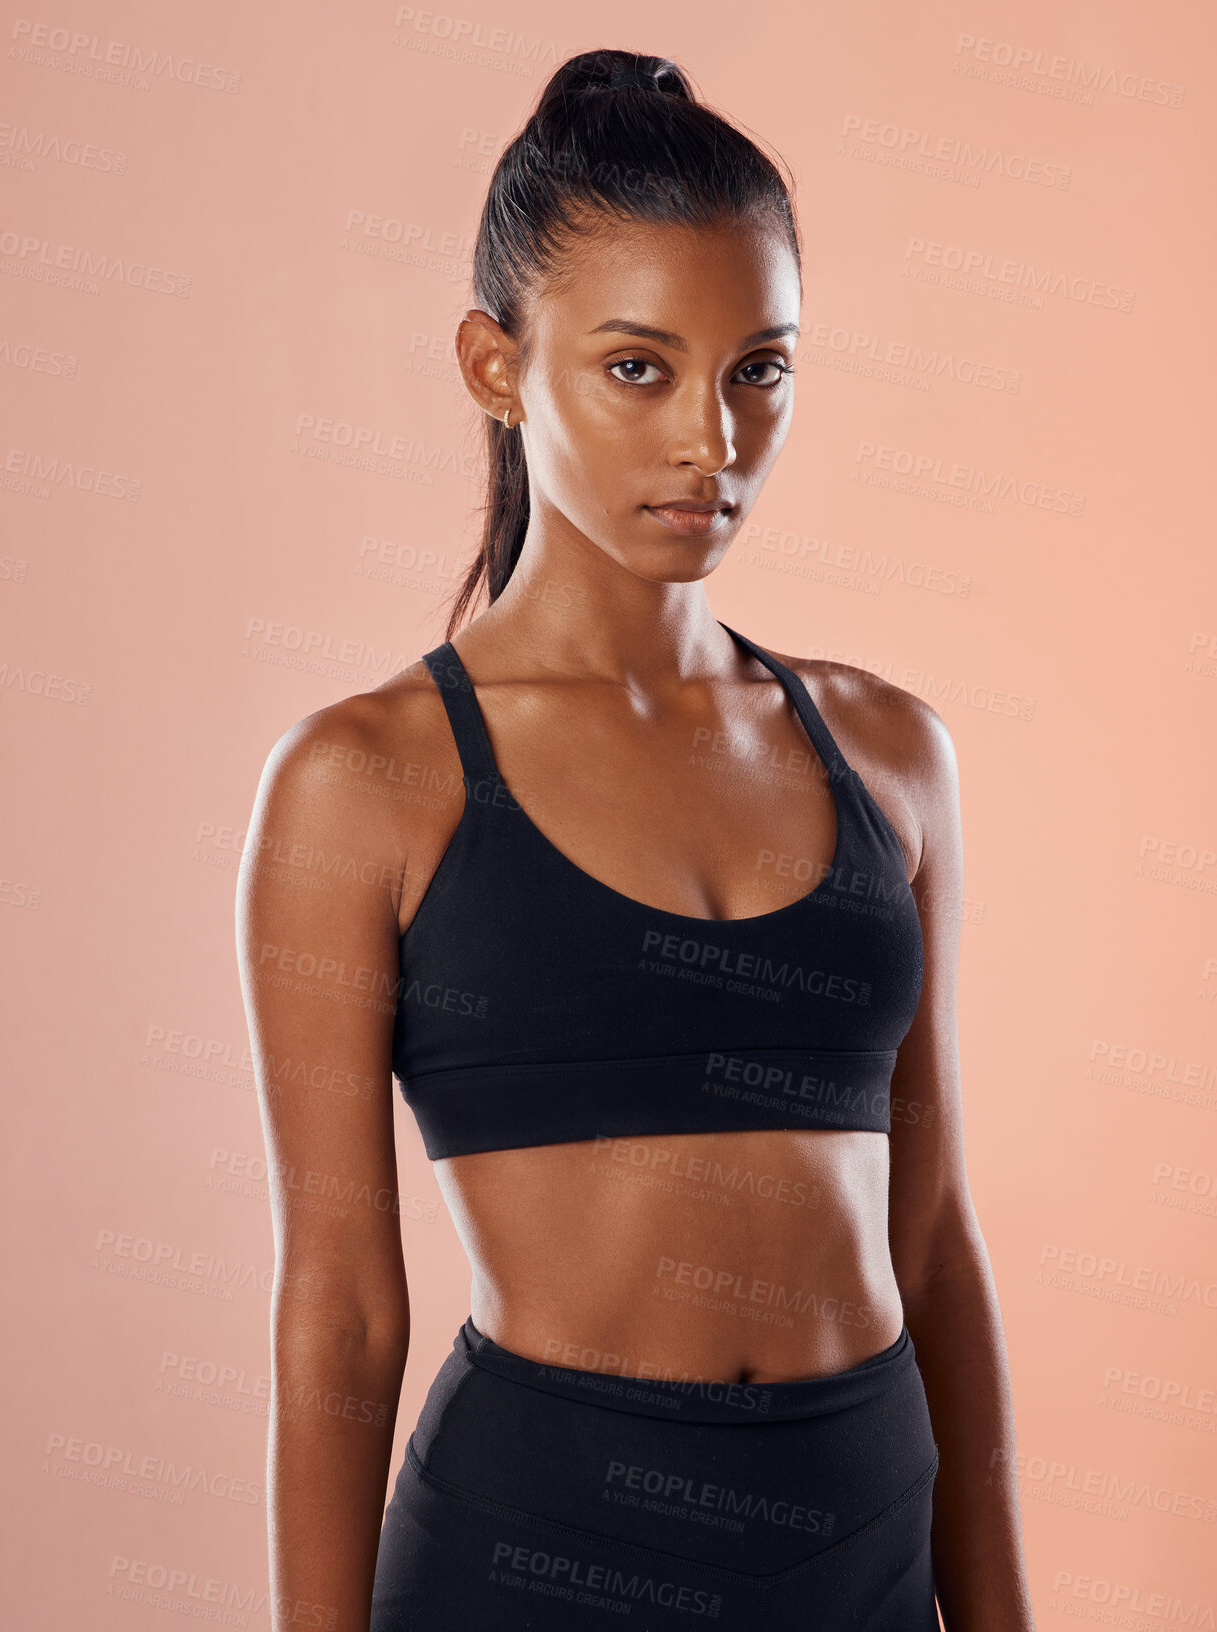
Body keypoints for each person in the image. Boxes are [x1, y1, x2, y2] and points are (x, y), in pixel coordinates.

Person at [237, 46, 1036, 1632]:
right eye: (638, 367)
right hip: (537, 1552)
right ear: (493, 364)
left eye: (762, 368)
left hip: (862, 1541)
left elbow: (933, 1242)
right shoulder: (369, 780)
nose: (713, 438)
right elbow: (338, 1312)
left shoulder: (890, 754)